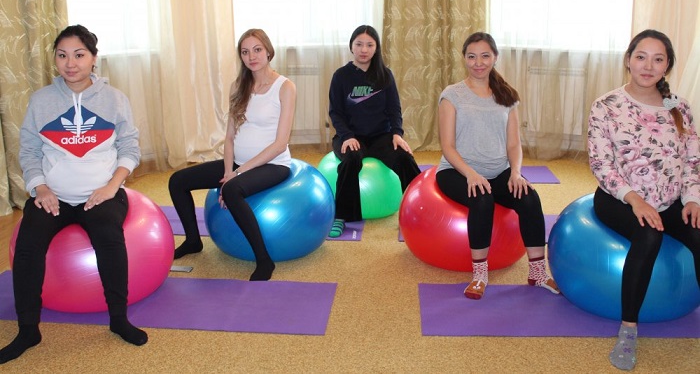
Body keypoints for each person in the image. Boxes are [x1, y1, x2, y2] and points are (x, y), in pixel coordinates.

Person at [0, 25, 147, 364]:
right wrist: (40, 187)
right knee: (27, 246)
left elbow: (129, 147)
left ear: (93, 58)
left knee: (110, 238)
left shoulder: (114, 99)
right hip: (54, 195)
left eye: (79, 55)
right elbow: (29, 151)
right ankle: (28, 329)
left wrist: (112, 187)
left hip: (102, 193)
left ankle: (119, 319)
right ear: (55, 59)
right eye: (62, 55)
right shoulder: (41, 101)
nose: (70, 63)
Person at [588, 29, 700, 371]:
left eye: (658, 59)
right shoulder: (606, 105)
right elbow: (601, 164)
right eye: (641, 57)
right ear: (628, 60)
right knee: (649, 236)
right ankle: (628, 329)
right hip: (620, 197)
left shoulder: (679, 107)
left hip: (669, 199)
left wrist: (692, 198)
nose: (648, 66)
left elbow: (692, 160)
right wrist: (635, 200)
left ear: (667, 66)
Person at [435, 31, 559, 300]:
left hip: (499, 171)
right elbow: (448, 146)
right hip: (457, 171)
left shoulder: (507, 96)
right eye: (472, 57)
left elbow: (514, 145)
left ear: (495, 57)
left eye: (485, 56)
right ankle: (480, 274)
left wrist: (516, 173)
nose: (478, 63)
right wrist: (471, 174)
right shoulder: (452, 95)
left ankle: (538, 272)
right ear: (464, 59)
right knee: (483, 199)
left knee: (529, 197)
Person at [168, 28, 296, 281]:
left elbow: (280, 144)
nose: (252, 56)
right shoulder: (238, 86)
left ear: (268, 51)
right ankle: (193, 240)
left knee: (232, 190)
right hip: (237, 162)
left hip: (273, 164)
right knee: (177, 181)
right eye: (245, 52)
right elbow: (229, 137)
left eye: (257, 50)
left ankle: (264, 260)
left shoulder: (285, 87)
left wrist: (236, 175)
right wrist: (228, 171)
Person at [327, 25, 421, 237]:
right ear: (351, 46)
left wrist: (397, 134)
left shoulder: (385, 75)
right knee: (351, 161)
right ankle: (341, 216)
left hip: (381, 136)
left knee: (405, 158)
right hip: (350, 136)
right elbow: (335, 112)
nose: (364, 49)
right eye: (359, 44)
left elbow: (394, 108)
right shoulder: (341, 76)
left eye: (369, 45)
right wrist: (347, 136)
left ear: (376, 48)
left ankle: (419, 210)